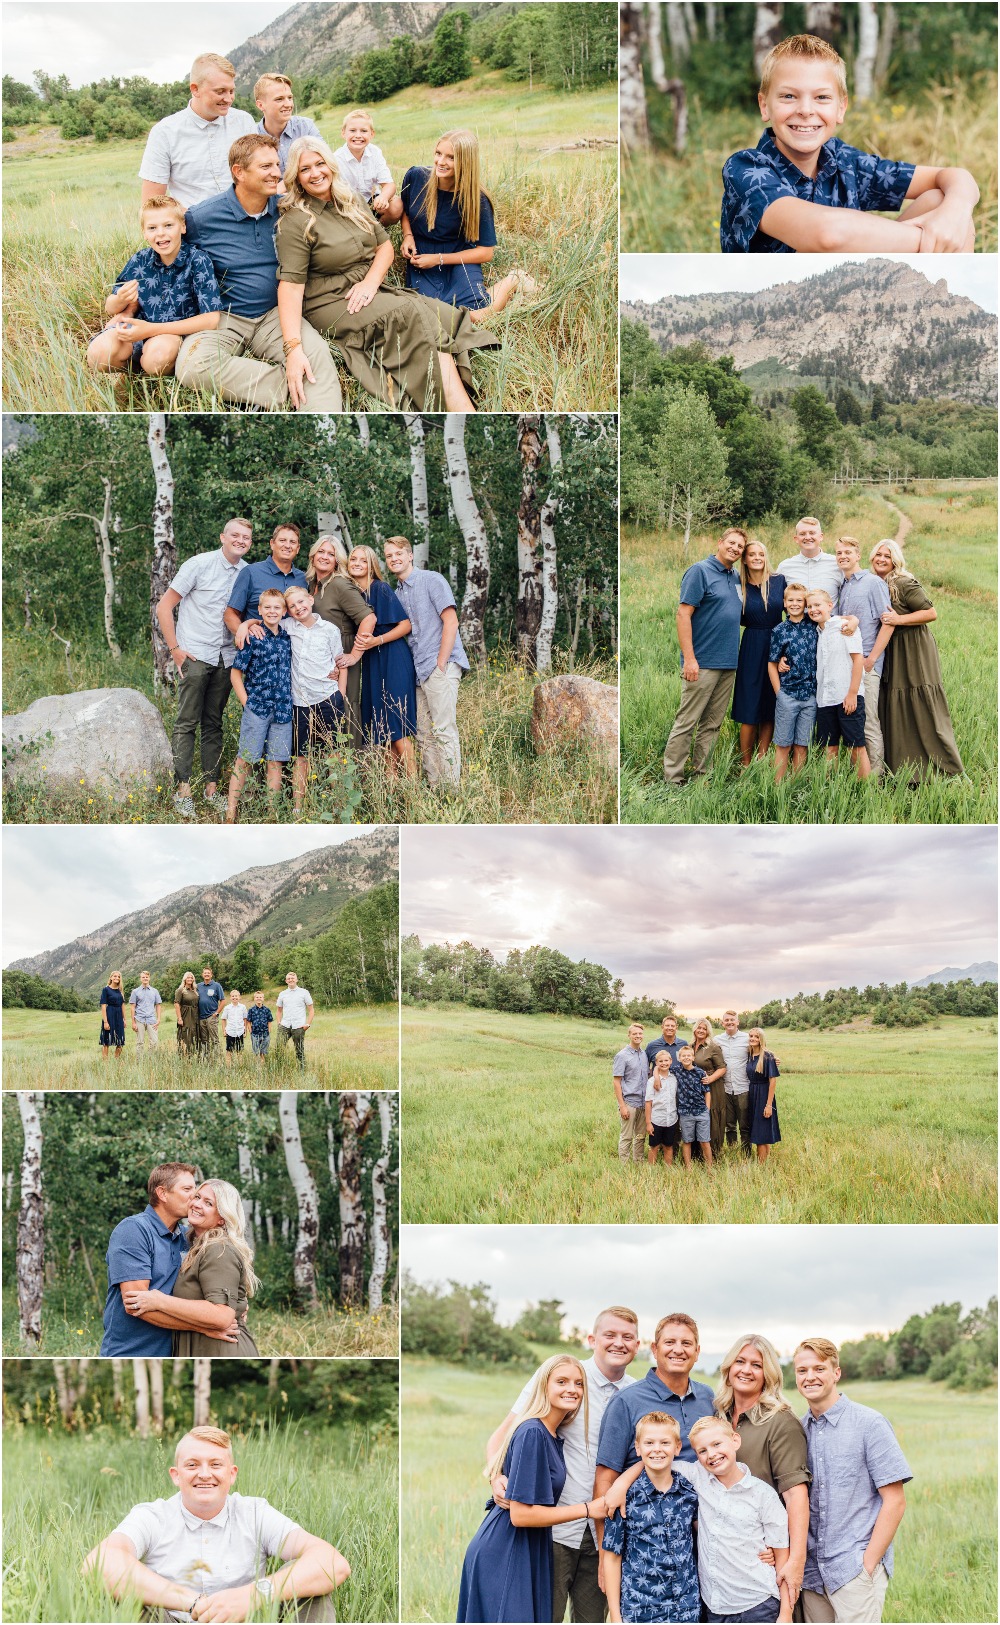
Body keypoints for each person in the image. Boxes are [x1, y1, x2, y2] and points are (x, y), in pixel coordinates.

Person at [275, 136, 499, 412]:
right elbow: (291, 286)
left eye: (320, 163)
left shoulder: (350, 198)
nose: (315, 173)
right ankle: (461, 410)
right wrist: (293, 348)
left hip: (367, 288)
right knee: (409, 312)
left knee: (448, 316)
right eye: (304, 169)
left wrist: (370, 283)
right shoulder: (296, 220)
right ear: (295, 178)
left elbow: (384, 247)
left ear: (330, 165)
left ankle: (511, 285)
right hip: (330, 300)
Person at [720, 33, 978, 253]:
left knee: (941, 202)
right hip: (775, 306)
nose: (806, 110)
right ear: (765, 105)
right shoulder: (746, 169)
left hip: (847, 293)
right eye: (789, 96)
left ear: (840, 108)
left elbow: (955, 177)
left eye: (821, 97)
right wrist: (929, 243)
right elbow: (828, 233)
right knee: (946, 232)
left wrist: (955, 213)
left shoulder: (844, 161)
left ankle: (938, 305)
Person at [83, 1424, 349, 1621]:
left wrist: (252, 1596)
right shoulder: (151, 1516)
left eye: (215, 1464)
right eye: (192, 1465)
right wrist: (192, 1602)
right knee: (128, 1595)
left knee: (308, 1584)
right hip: (172, 1619)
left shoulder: (255, 1512)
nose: (204, 1474)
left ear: (231, 1474)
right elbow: (97, 1564)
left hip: (247, 1619)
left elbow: (332, 1563)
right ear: (176, 1475)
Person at [485, 1307, 641, 1625]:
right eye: (610, 1335)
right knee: (544, 1616)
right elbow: (502, 1436)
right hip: (552, 1529)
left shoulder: (636, 1394)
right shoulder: (565, 1377)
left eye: (627, 1337)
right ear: (592, 1339)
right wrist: (496, 1475)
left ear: (638, 1345)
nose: (618, 1343)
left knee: (593, 1619)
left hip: (605, 1532)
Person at [177, 134, 343, 410]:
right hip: (224, 317)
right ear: (239, 172)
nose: (276, 173)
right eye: (266, 167)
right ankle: (289, 389)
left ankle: (322, 420)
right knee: (191, 367)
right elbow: (167, 261)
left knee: (316, 355)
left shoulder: (286, 211)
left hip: (276, 315)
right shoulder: (201, 218)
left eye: (277, 165)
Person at [458, 1355, 602, 1623]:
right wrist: (587, 1509)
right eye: (562, 1381)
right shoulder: (533, 1432)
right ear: (543, 1386)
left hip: (530, 1545)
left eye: (578, 1383)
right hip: (507, 1546)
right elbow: (521, 1515)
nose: (572, 1389)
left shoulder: (552, 1433)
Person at [794, 1338, 911, 1624]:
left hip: (853, 1569)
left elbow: (895, 1501)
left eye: (819, 1368)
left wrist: (867, 1564)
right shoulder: (798, 1429)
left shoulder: (869, 1423)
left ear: (836, 1373)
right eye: (802, 1370)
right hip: (812, 1573)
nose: (810, 1377)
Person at [156, 515, 253, 820]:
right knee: (187, 721)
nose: (240, 541)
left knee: (214, 722)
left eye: (246, 538)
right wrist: (175, 650)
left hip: (226, 658)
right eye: (235, 535)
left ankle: (212, 788)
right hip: (196, 655)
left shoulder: (247, 572)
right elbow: (164, 606)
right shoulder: (198, 565)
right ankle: (182, 788)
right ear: (223, 537)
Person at [100, 1163, 239, 1357]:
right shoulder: (133, 1230)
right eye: (187, 1189)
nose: (194, 1197)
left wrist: (237, 1305)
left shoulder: (188, 1237)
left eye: (196, 1190)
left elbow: (216, 1283)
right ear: (163, 1194)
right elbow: (135, 1305)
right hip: (132, 1352)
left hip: (177, 1352)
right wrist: (202, 1327)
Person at [715, 1334, 811, 1612]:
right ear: (728, 1368)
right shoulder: (718, 1417)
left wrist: (795, 1560)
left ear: (768, 1374)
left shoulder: (781, 1422)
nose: (746, 1370)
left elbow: (795, 1496)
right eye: (740, 1362)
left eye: (756, 1365)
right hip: (723, 1568)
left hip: (763, 1565)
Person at [122, 1180, 261, 1358]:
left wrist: (160, 1300)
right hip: (200, 1344)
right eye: (197, 1196)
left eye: (208, 1203)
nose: (196, 1204)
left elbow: (223, 1316)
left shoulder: (218, 1249)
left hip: (220, 1348)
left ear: (222, 1218)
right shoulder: (190, 1243)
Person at [87, 196, 222, 377]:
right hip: (138, 327)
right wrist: (119, 299)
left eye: (168, 226)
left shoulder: (198, 260)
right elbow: (110, 307)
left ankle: (151, 373)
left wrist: (151, 330)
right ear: (144, 232)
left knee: (157, 359)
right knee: (98, 354)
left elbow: (211, 319)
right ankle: (131, 375)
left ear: (182, 227)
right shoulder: (140, 260)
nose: (160, 233)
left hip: (173, 333)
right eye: (152, 228)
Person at [400, 130, 530, 316]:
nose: (441, 162)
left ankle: (514, 281)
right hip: (423, 256)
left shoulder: (477, 198)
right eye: (438, 153)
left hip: (458, 256)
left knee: (475, 312)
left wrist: (438, 259)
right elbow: (404, 208)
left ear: (465, 161)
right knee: (432, 314)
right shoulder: (416, 176)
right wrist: (408, 235)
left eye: (451, 157)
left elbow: (485, 252)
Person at [869, 538, 965, 780]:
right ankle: (902, 768)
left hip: (914, 648)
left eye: (887, 556)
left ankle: (945, 766)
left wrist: (898, 620)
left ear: (895, 560)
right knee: (893, 703)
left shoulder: (903, 581)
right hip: (892, 649)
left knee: (920, 704)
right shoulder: (876, 582)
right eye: (878, 554)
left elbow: (930, 612)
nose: (881, 559)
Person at [662, 527, 747, 786]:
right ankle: (673, 779)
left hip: (728, 663)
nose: (735, 548)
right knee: (687, 722)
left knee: (712, 724)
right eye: (731, 543)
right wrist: (689, 658)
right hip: (702, 662)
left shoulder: (734, 577)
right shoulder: (700, 571)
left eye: (740, 546)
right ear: (719, 542)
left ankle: (702, 776)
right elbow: (683, 614)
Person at [384, 535, 469, 788]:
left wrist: (441, 663)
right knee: (423, 734)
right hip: (418, 672)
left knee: (444, 729)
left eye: (398, 553)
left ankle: (452, 791)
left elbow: (451, 621)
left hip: (439, 666)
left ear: (410, 555)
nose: (394, 559)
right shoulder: (397, 594)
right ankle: (436, 788)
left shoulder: (431, 580)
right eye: (389, 556)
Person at [601, 1411, 700, 1625]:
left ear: (677, 1447)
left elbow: (708, 1535)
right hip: (641, 1610)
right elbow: (611, 1557)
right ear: (638, 1448)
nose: (657, 1449)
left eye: (665, 1442)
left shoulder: (689, 1492)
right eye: (649, 1443)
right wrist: (616, 1617)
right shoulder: (623, 1498)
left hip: (686, 1608)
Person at [138, 52, 257, 209]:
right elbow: (152, 203)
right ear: (195, 89)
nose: (228, 99)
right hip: (195, 227)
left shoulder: (244, 122)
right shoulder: (164, 132)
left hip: (245, 220)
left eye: (231, 91)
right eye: (220, 91)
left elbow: (257, 175)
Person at [344, 545, 417, 775]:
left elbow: (406, 625)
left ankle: (415, 792)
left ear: (371, 565)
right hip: (373, 662)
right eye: (353, 559)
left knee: (396, 726)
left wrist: (378, 640)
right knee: (383, 729)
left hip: (393, 657)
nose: (356, 563)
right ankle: (391, 789)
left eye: (363, 560)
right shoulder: (355, 594)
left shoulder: (381, 588)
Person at [227, 588, 294, 824]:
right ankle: (230, 812)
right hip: (258, 707)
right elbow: (236, 675)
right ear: (260, 610)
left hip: (283, 710)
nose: (272, 611)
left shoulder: (288, 638)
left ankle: (271, 815)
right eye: (267, 607)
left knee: (276, 762)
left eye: (277, 607)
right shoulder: (253, 637)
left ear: (284, 611)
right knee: (245, 759)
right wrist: (248, 705)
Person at [281, 584, 348, 813]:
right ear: (288, 611)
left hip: (328, 697)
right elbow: (264, 623)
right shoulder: (288, 626)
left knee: (334, 752)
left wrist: (341, 693)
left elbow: (340, 663)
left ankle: (338, 804)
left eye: (301, 602)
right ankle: (298, 807)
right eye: (292, 606)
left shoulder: (329, 629)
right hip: (300, 701)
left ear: (310, 600)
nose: (298, 608)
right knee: (301, 755)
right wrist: (248, 624)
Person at [306, 534, 377, 749]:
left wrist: (354, 655)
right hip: (319, 656)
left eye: (331, 554)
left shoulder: (339, 584)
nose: (325, 557)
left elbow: (368, 618)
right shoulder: (312, 584)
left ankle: (349, 768)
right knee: (323, 710)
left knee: (345, 706)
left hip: (342, 653)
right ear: (313, 555)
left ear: (338, 560)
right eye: (322, 552)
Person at [834, 537, 893, 776]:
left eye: (847, 552)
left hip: (867, 664)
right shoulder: (844, 585)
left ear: (858, 555)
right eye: (838, 552)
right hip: (846, 665)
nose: (842, 556)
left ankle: (875, 780)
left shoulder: (872, 583)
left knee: (868, 721)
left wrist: (871, 659)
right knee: (851, 720)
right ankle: (857, 773)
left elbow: (888, 623)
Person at [731, 541, 786, 765]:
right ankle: (745, 762)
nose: (756, 557)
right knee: (749, 704)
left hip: (777, 643)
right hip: (752, 645)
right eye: (751, 554)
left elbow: (793, 608)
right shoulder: (738, 584)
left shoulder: (779, 581)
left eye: (760, 554)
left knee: (770, 703)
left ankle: (762, 758)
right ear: (744, 559)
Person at [807, 590, 870, 779]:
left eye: (817, 605)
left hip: (847, 696)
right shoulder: (819, 631)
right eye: (809, 606)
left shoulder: (844, 627)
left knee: (856, 746)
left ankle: (864, 791)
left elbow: (858, 661)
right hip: (825, 698)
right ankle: (829, 788)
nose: (813, 609)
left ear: (830, 606)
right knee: (829, 746)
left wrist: (852, 693)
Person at [768, 582, 818, 783]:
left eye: (799, 600)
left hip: (810, 695)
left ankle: (796, 784)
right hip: (787, 694)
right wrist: (779, 693)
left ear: (805, 603)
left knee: (802, 744)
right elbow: (772, 663)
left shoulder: (814, 625)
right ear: (784, 603)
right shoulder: (779, 630)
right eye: (791, 600)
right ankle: (778, 785)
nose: (795, 604)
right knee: (783, 743)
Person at [333, 109, 404, 223]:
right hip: (349, 206)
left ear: (372, 134)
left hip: (372, 202)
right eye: (352, 130)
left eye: (364, 131)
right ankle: (361, 230)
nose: (358, 135)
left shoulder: (375, 152)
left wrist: (383, 197)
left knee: (396, 204)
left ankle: (378, 228)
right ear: (343, 133)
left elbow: (389, 185)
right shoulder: (336, 159)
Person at [254, 72, 320, 171]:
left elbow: (325, 162)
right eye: (279, 99)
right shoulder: (253, 138)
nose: (288, 104)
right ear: (260, 105)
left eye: (290, 98)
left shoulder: (306, 127)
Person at [774, 519, 842, 602]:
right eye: (802, 534)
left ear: (821, 536)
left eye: (812, 533)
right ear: (796, 539)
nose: (807, 537)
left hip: (830, 615)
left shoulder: (837, 564)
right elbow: (777, 600)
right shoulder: (784, 567)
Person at [612, 1022, 649, 1166]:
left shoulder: (644, 1054)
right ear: (629, 1035)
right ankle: (624, 1165)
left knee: (640, 1136)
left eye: (640, 1034)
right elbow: (617, 1082)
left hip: (643, 1102)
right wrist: (622, 1106)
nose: (638, 1036)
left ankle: (638, 1162)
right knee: (626, 1136)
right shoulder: (622, 1055)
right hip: (629, 1102)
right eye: (635, 1034)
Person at [691, 1019, 727, 1159]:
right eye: (698, 1028)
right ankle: (697, 1154)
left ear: (708, 1031)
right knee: (697, 1118)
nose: (701, 1030)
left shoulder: (713, 1047)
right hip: (696, 1090)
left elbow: (722, 1068)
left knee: (710, 1118)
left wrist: (710, 1079)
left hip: (713, 1087)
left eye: (704, 1029)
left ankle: (713, 1154)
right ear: (694, 1029)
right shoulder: (691, 1046)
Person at [717, 1011, 751, 1157]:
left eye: (732, 1020)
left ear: (738, 1022)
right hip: (725, 1088)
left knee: (744, 1125)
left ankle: (746, 1154)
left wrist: (773, 1058)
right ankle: (732, 1152)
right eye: (726, 1020)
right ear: (722, 1023)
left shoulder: (747, 1038)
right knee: (729, 1125)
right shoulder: (717, 1040)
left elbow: (760, 1049)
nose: (729, 1022)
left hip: (743, 1087)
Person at [673, 1044, 713, 1169]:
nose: (686, 1058)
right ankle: (688, 1167)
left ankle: (709, 1167)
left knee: (704, 1141)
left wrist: (707, 1108)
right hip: (685, 1112)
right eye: (683, 1056)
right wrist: (657, 1075)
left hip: (701, 1111)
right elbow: (659, 1067)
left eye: (689, 1055)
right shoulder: (676, 1071)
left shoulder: (700, 1072)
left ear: (693, 1057)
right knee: (687, 1140)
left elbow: (707, 1091)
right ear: (679, 1058)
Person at [746, 1028, 781, 1163]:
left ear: (761, 1039)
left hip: (763, 1095)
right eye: (751, 1036)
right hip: (753, 1094)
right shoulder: (750, 1054)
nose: (753, 1038)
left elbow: (772, 1081)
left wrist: (768, 1105)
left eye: (756, 1036)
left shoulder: (767, 1056)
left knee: (761, 1134)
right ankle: (765, 1162)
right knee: (761, 1131)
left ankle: (761, 1166)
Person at [645, 1051, 679, 1168]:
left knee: (668, 1146)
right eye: (661, 1061)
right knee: (654, 1146)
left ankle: (668, 1169)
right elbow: (648, 1103)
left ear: (671, 1061)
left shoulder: (674, 1078)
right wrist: (648, 1123)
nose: (664, 1063)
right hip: (656, 1119)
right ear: (656, 1063)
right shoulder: (651, 1081)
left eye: (666, 1060)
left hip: (671, 1119)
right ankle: (651, 1170)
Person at [276, 971, 314, 1071]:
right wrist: (279, 1023)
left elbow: (311, 1009)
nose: (291, 980)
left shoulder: (304, 992)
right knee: (279, 1048)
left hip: (299, 1026)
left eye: (293, 978)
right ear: (286, 981)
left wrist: (308, 1024)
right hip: (284, 1025)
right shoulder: (282, 994)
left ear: (296, 980)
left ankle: (302, 1070)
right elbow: (279, 1010)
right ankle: (279, 1069)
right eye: (288, 978)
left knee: (299, 1050)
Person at [196, 965, 225, 1059]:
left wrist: (216, 1013)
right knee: (204, 1040)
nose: (207, 974)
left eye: (208, 973)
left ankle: (217, 1059)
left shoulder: (216, 986)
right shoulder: (198, 986)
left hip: (211, 1016)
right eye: (205, 973)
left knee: (214, 1039)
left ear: (211, 975)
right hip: (201, 1017)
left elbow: (223, 1001)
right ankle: (207, 1059)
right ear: (202, 975)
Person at [129, 971, 162, 1053]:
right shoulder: (135, 992)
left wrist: (158, 1019)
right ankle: (140, 1062)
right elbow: (132, 1007)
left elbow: (158, 1005)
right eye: (143, 977)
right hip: (139, 1019)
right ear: (140, 979)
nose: (145, 978)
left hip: (151, 1019)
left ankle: (150, 1059)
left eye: (146, 977)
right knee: (140, 1042)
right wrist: (133, 1022)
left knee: (154, 1041)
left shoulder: (155, 991)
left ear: (149, 978)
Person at [99, 971, 126, 1063]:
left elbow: (122, 1005)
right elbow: (103, 1006)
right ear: (111, 977)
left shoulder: (120, 990)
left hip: (119, 1016)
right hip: (109, 1014)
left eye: (118, 976)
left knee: (120, 1041)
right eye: (115, 976)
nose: (117, 978)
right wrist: (105, 1021)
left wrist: (124, 1019)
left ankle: (116, 1061)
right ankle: (105, 1063)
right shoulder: (106, 989)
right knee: (107, 1040)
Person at [173, 971, 200, 1057]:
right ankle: (184, 1055)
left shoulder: (195, 990)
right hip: (186, 1015)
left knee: (194, 1034)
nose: (190, 979)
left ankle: (193, 1054)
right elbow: (176, 1004)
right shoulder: (181, 990)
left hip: (195, 1015)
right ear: (184, 979)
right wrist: (179, 1018)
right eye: (188, 977)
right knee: (186, 1034)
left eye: (191, 977)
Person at [247, 990, 274, 1062]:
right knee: (256, 1052)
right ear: (254, 998)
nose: (259, 998)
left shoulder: (267, 1010)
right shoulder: (251, 1010)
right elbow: (248, 1021)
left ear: (263, 998)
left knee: (263, 1052)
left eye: (260, 997)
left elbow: (269, 1021)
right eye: (257, 997)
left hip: (265, 1033)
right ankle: (256, 1066)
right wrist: (251, 1031)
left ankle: (262, 1066)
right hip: (255, 1034)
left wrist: (269, 1031)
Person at [223, 989, 248, 1066]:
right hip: (230, 1031)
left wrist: (245, 1031)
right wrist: (224, 1030)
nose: (234, 997)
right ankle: (228, 1066)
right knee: (229, 1050)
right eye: (233, 996)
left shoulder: (243, 1007)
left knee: (239, 1051)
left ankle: (240, 1066)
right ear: (230, 998)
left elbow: (245, 1019)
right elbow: (224, 1019)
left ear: (239, 997)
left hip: (240, 1031)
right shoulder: (227, 1008)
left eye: (236, 996)